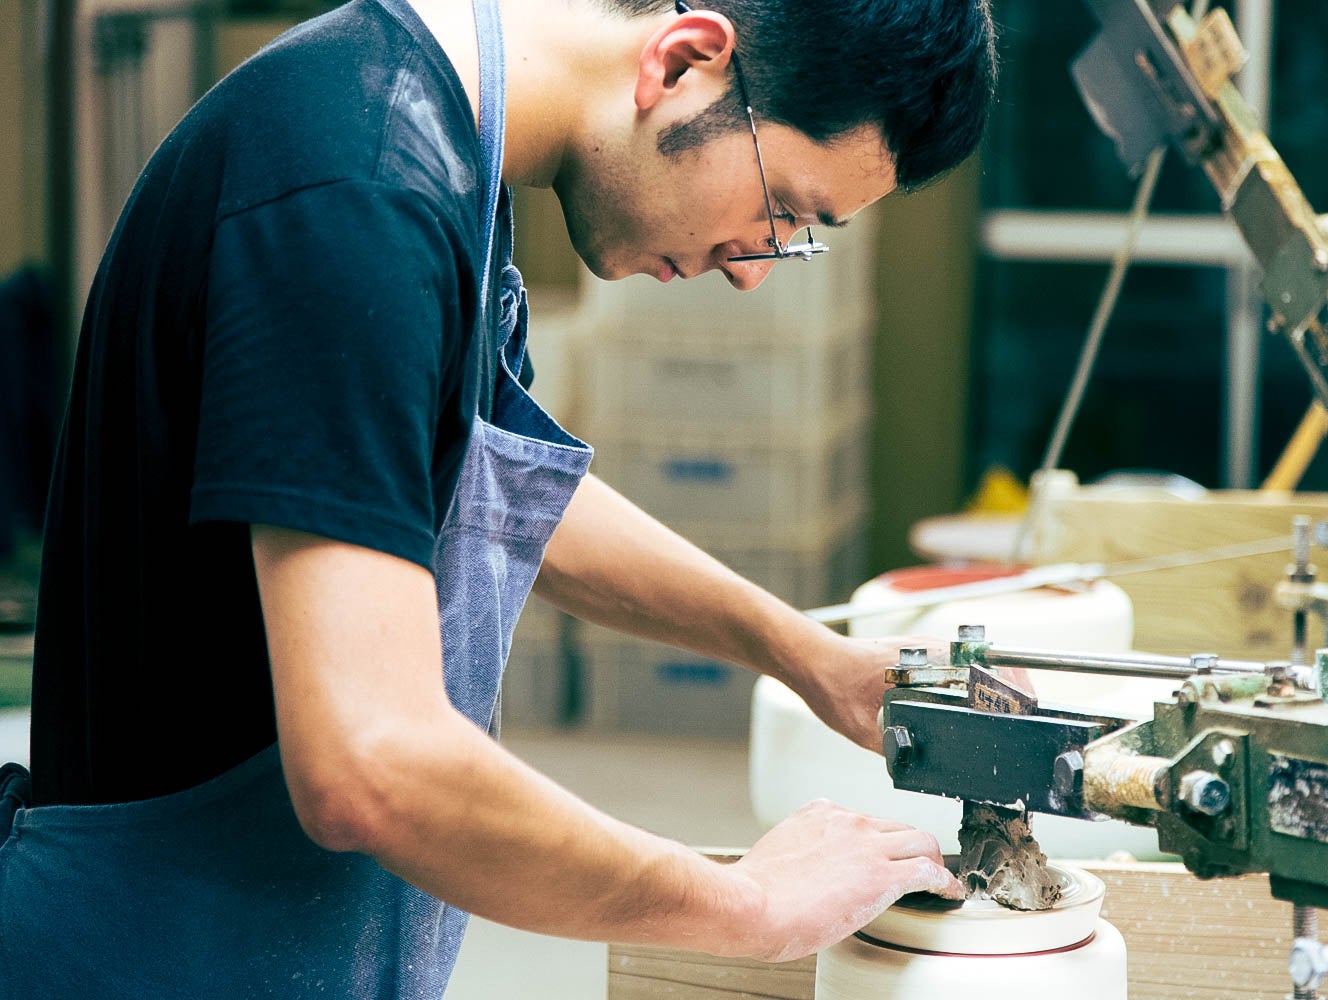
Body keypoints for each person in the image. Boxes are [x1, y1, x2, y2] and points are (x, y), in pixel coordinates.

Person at [0, 0, 1002, 994]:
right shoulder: (358, 187)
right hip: (149, 952)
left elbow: (497, 491)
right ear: (683, 61)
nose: (751, 271)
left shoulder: (448, 166)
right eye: (781, 210)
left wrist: (809, 657)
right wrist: (750, 904)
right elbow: (373, 764)